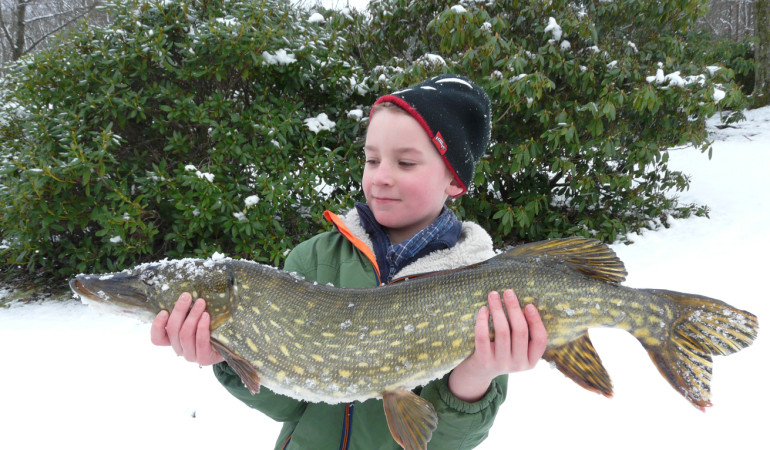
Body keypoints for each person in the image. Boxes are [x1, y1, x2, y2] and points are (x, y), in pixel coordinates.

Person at [151, 74, 548, 449]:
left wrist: (477, 375)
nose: (380, 177)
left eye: (405, 163)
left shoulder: (486, 283)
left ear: (455, 181)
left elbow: (443, 441)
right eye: (372, 160)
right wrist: (228, 358)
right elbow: (290, 405)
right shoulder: (312, 260)